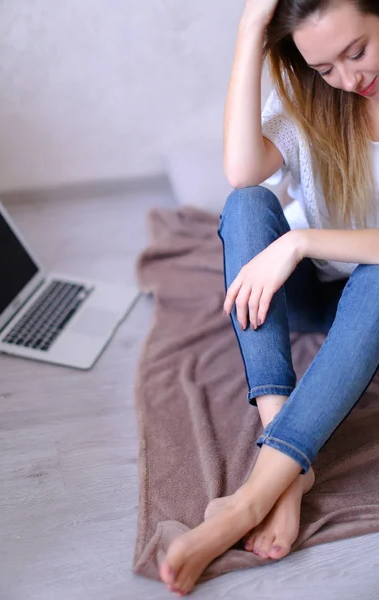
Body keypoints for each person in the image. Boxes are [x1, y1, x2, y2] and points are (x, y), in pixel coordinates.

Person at [160, 0, 379, 595]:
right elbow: (240, 171)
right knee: (248, 205)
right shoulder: (316, 94)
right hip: (321, 291)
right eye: (325, 67)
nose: (349, 79)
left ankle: (252, 496)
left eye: (357, 51)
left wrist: (301, 239)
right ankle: (287, 462)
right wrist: (250, 27)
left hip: (374, 297)